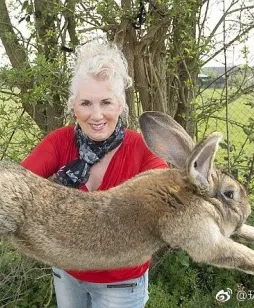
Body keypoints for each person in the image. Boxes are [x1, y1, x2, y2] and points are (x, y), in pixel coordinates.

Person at [20, 40, 168, 308]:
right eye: (86, 103)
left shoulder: (143, 150)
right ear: (73, 106)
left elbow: (162, 207)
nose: (96, 115)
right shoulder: (59, 142)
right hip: (67, 272)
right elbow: (13, 187)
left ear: (121, 105)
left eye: (106, 102)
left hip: (121, 283)